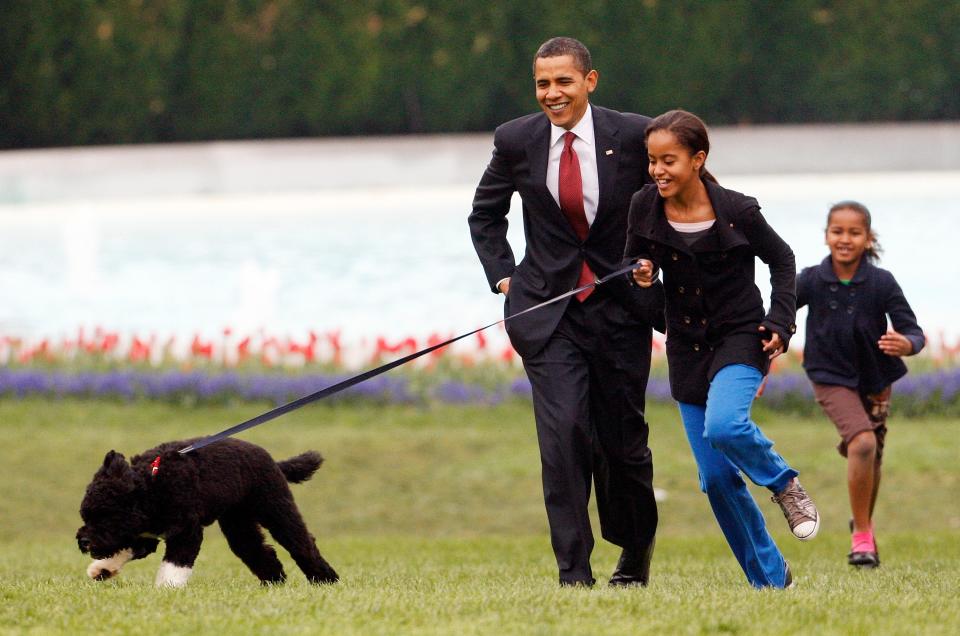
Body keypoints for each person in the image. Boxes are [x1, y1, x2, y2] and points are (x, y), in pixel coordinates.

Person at [468, 37, 664, 587]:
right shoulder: (515, 140)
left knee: (622, 444)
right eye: (542, 83)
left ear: (590, 81)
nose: (552, 94)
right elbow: (484, 216)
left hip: (620, 310)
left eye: (563, 81)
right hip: (548, 314)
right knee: (564, 438)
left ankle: (634, 551)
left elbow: (674, 197)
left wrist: (655, 262)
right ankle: (572, 572)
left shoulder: (634, 134)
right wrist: (505, 276)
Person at [624, 109, 819, 589]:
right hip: (686, 347)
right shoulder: (644, 206)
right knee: (714, 479)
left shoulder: (738, 209)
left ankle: (783, 483)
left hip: (739, 337)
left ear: (698, 159)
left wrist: (781, 320)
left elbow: (783, 260)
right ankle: (772, 581)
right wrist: (643, 278)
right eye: (652, 161)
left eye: (668, 160)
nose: (658, 171)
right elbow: (634, 272)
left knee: (726, 425)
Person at [797, 201, 925, 569]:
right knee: (863, 441)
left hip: (877, 379)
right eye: (837, 231)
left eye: (855, 232)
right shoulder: (811, 280)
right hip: (829, 375)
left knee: (872, 455)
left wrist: (908, 344)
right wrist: (766, 348)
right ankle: (863, 536)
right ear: (826, 236)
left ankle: (862, 525)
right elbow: (780, 313)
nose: (845, 239)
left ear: (868, 239)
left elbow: (912, 331)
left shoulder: (881, 283)